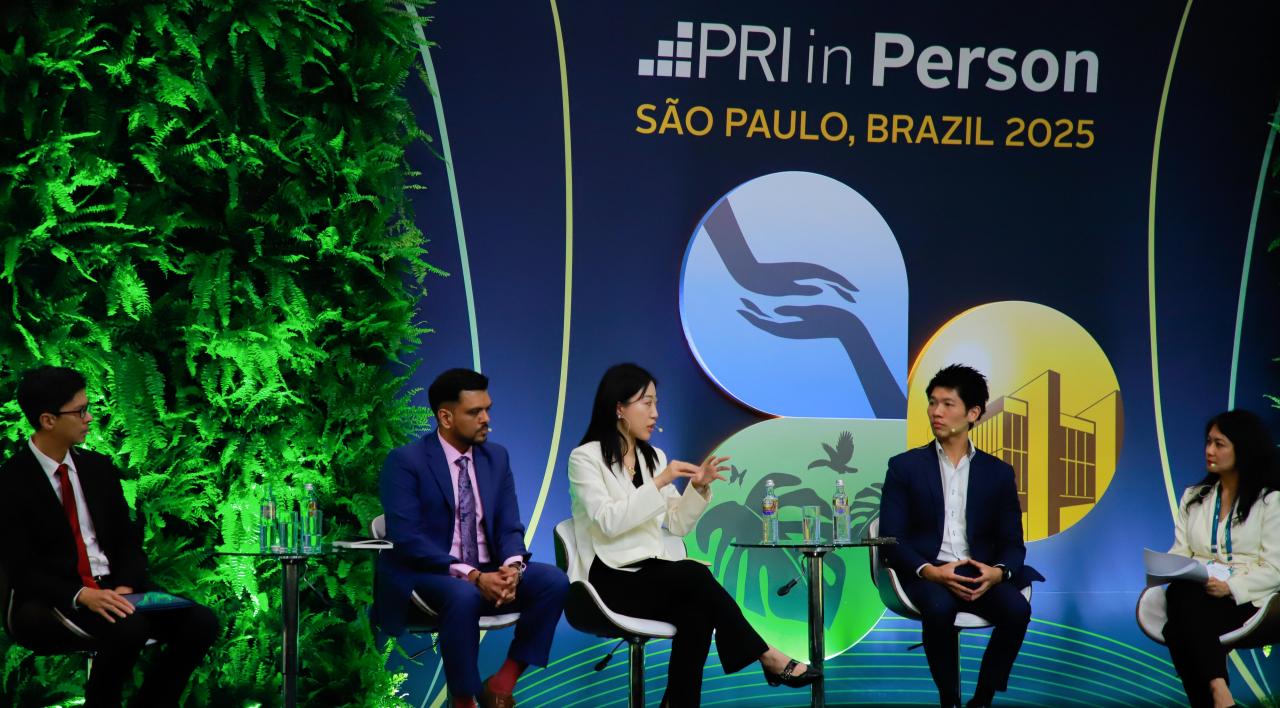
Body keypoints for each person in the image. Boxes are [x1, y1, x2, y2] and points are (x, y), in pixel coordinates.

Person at [566, 363, 821, 708]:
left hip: (651, 575)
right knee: (692, 573)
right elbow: (608, 522)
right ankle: (767, 655)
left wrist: (697, 489)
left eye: (656, 403)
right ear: (619, 408)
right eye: (647, 403)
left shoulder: (653, 457)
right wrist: (660, 482)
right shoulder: (585, 458)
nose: (655, 414)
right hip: (608, 580)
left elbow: (677, 524)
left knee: (696, 615)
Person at [0, 366, 221, 708]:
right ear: (48, 420)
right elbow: (21, 571)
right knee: (130, 628)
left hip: (117, 590)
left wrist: (125, 587)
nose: (89, 418)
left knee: (201, 621)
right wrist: (84, 595)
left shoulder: (97, 468)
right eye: (80, 411)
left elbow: (127, 539)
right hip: (56, 599)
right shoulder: (11, 481)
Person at [375, 368, 569, 708]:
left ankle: (501, 684)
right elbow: (408, 540)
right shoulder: (405, 461)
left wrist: (513, 569)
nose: (486, 419)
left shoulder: (496, 458)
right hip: (427, 574)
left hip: (486, 571)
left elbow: (509, 525)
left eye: (487, 409)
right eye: (475, 412)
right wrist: (474, 576)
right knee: (464, 593)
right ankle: (464, 702)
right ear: (445, 417)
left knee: (553, 581)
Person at [879, 364, 1042, 708]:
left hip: (978, 573)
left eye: (947, 404)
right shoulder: (904, 467)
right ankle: (949, 700)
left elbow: (1012, 543)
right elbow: (891, 539)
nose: (935, 412)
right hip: (926, 572)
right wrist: (931, 572)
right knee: (939, 607)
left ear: (973, 413)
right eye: (932, 402)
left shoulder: (998, 473)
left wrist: (997, 573)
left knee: (1017, 611)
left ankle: (982, 700)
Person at [1162, 410, 1280, 708]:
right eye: (1208, 442)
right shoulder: (1194, 497)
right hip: (1198, 592)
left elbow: (1276, 569)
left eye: (1219, 444)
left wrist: (1230, 587)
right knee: (1182, 589)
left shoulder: (1271, 500)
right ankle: (1220, 691)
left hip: (1246, 597)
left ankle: (1216, 694)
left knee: (1176, 630)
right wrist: (1167, 569)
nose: (1209, 450)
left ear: (1244, 448)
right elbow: (1180, 554)